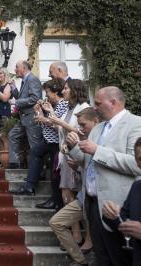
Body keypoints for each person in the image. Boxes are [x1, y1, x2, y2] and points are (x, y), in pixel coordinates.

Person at [66, 86, 141, 266]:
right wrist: (73, 147)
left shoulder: (135, 123)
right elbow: (87, 162)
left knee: (120, 258)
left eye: (98, 103)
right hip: (92, 202)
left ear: (113, 103)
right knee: (102, 257)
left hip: (118, 205)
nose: (94, 107)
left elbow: (136, 165)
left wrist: (98, 150)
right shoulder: (98, 127)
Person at [49, 107, 99, 266]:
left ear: (96, 122)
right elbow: (87, 168)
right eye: (79, 125)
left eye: (83, 125)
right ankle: (80, 260)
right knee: (56, 222)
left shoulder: (100, 140)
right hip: (84, 195)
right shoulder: (84, 138)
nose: (80, 129)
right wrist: (76, 164)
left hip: (102, 198)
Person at [11, 79, 68, 197]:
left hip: (57, 142)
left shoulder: (64, 104)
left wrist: (45, 119)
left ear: (55, 92)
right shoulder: (53, 105)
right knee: (35, 152)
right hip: (48, 141)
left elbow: (60, 124)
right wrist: (37, 112)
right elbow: (44, 123)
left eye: (47, 92)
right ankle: (30, 186)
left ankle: (54, 199)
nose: (45, 95)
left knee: (54, 173)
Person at [102, 137, 141, 266]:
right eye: (140, 158)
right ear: (136, 161)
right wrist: (111, 214)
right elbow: (122, 222)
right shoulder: (136, 187)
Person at [8, 60, 43, 168]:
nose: (15, 70)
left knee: (34, 146)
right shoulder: (25, 80)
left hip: (32, 118)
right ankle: (15, 164)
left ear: (24, 68)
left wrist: (16, 102)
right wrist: (14, 89)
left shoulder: (33, 79)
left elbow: (35, 98)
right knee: (12, 135)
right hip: (24, 119)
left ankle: (38, 173)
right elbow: (22, 98)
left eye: (17, 67)